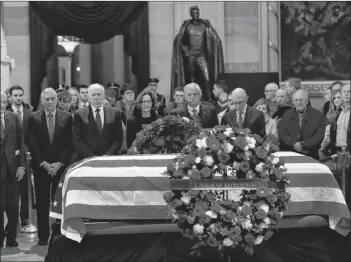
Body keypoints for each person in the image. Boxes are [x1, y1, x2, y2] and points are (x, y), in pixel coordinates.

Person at [27, 88, 73, 246]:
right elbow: (31, 143)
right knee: (41, 202)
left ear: (57, 100)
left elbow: (70, 143)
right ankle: (43, 236)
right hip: (41, 168)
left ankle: (59, 234)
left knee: (60, 202)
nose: (50, 101)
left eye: (53, 98)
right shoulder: (33, 118)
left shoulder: (67, 117)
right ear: (41, 100)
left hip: (60, 167)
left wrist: (60, 162)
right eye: (47, 99)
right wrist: (44, 164)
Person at [171, 5, 224, 102]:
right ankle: (192, 99)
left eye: (198, 13)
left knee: (207, 78)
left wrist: (217, 42)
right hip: (191, 56)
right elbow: (179, 41)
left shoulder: (204, 25)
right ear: (191, 14)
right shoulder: (187, 25)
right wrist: (185, 50)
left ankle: (209, 99)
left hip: (201, 55)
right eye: (194, 13)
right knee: (192, 79)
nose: (196, 15)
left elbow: (215, 39)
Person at [0, 91, 26, 248]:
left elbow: (21, 142)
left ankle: (11, 237)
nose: (1, 105)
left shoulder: (14, 117)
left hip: (13, 169)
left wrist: (22, 165)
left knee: (13, 206)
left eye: (3, 102)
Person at [73, 84, 123, 161]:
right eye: (93, 95)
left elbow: (118, 139)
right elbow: (77, 140)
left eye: (99, 94)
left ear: (103, 96)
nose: (96, 97)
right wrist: (92, 157)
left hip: (109, 160)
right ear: (89, 97)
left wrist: (107, 155)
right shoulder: (79, 114)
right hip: (87, 160)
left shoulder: (115, 113)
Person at [6, 85, 33, 226]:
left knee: (26, 188)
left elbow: (32, 135)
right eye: (15, 95)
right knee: (12, 189)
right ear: (10, 97)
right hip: (10, 156)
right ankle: (13, 217)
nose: (18, 98)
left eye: (20, 95)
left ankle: (25, 217)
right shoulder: (6, 112)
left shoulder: (30, 112)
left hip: (27, 154)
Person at [278, 89, 325, 159]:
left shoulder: (318, 115)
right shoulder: (286, 114)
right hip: (290, 154)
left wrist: (303, 145)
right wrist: (294, 144)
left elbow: (319, 136)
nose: (298, 102)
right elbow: (282, 134)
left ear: (307, 101)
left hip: (311, 155)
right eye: (296, 100)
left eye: (301, 100)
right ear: (293, 102)